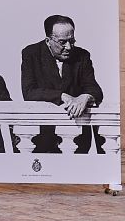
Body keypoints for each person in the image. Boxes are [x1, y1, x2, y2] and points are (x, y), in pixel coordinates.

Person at [20, 15, 104, 153]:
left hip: (75, 136)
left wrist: (86, 97)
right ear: (48, 40)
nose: (69, 47)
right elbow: (29, 92)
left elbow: (94, 88)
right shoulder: (31, 53)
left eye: (72, 41)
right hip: (42, 137)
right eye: (62, 42)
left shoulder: (83, 55)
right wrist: (62, 96)